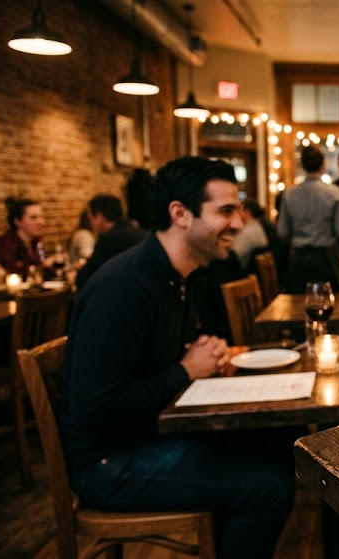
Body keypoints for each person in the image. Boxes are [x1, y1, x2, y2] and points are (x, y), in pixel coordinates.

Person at [59, 156, 294, 559]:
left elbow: (160, 363)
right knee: (268, 486)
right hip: (106, 462)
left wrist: (199, 357)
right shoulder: (124, 288)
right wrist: (186, 368)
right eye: (225, 211)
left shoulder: (181, 276)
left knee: (281, 442)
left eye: (237, 209)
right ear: (180, 214)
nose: (238, 223)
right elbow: (94, 411)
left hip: (150, 433)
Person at [278, 145, 339, 293]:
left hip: (298, 261)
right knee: (333, 307)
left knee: (297, 308)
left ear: (302, 165)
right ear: (323, 164)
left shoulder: (289, 194)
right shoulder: (336, 193)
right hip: (327, 260)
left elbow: (282, 232)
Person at [75, 194, 148, 289]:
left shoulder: (109, 240)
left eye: (91, 218)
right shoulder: (140, 232)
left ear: (100, 217)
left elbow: (83, 279)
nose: (91, 223)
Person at [0, 196, 48, 276]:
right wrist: (43, 266)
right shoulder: (5, 244)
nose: (41, 222)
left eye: (42, 217)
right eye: (33, 218)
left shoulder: (36, 242)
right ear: (17, 221)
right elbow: (10, 272)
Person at [232, 199, 271, 270]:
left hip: (242, 274)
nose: (237, 213)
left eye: (240, 209)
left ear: (247, 212)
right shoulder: (257, 226)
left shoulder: (248, 231)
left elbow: (234, 254)